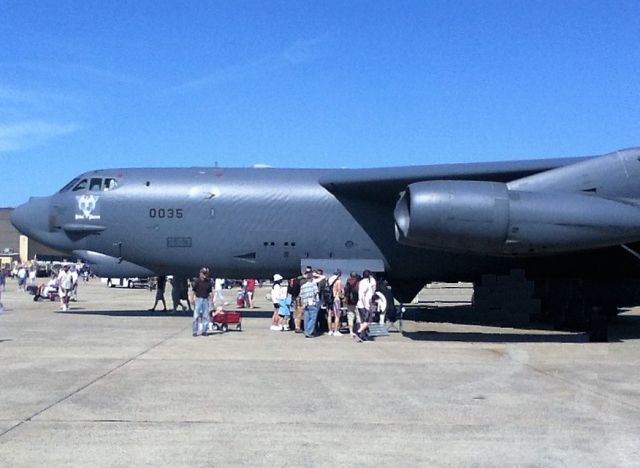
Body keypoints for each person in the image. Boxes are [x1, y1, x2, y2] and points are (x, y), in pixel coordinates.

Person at [190, 268, 214, 337]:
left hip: (205, 300)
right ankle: (195, 331)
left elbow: (210, 292)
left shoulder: (208, 282)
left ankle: (204, 331)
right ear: (200, 273)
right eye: (203, 273)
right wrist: (192, 299)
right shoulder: (197, 281)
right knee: (196, 316)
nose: (204, 275)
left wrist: (211, 301)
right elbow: (193, 291)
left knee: (206, 316)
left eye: (205, 273)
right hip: (198, 300)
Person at [355, 270, 376, 342]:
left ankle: (362, 336)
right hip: (364, 304)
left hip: (361, 304)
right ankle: (359, 332)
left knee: (363, 321)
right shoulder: (365, 283)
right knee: (368, 320)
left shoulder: (362, 282)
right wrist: (365, 305)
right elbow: (362, 295)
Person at [299, 269, 320, 338]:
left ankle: (306, 331)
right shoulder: (313, 284)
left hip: (305, 303)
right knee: (312, 318)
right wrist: (317, 302)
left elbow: (301, 296)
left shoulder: (303, 286)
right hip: (312, 303)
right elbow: (316, 293)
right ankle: (310, 332)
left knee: (306, 318)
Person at [327, 269, 344, 336]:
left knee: (329, 315)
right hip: (336, 299)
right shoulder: (338, 281)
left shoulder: (328, 280)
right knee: (337, 315)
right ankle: (336, 331)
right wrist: (342, 295)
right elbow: (339, 291)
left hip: (329, 299)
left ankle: (330, 330)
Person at [344, 272, 360, 338]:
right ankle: (358, 331)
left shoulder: (348, 282)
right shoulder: (358, 283)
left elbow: (345, 291)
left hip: (349, 302)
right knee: (358, 317)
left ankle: (351, 331)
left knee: (350, 317)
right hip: (357, 302)